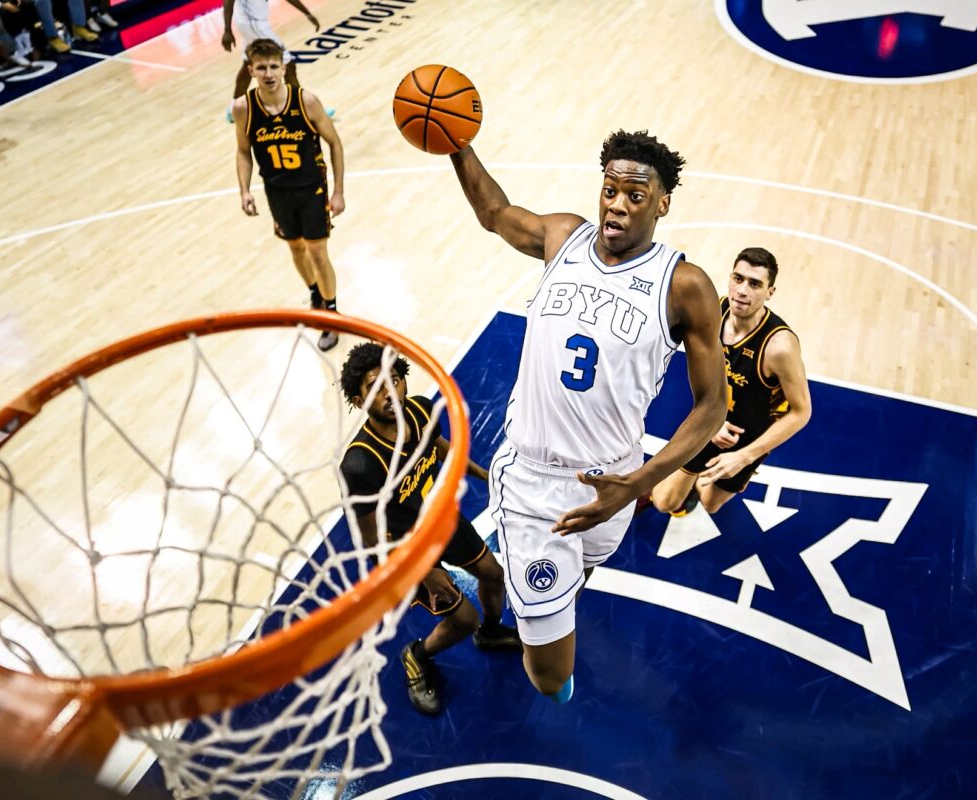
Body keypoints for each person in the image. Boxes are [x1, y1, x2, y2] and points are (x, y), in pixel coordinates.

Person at [447, 130, 728, 703]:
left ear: (662, 203)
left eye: (635, 195)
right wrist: (455, 144)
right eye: (609, 190)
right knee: (549, 676)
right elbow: (495, 212)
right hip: (534, 487)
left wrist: (637, 485)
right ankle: (547, 636)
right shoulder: (563, 237)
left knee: (577, 579)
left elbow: (713, 404)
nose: (617, 205)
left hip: (616, 479)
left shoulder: (684, 286)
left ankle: (553, 603)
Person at [338, 343, 522, 715]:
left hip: (440, 522)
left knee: (493, 575)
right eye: (375, 387)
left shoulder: (420, 410)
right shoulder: (361, 465)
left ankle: (490, 633)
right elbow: (371, 543)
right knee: (463, 619)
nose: (390, 392)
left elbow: (438, 448)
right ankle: (417, 656)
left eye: (394, 379)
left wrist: (485, 475)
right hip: (403, 551)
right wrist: (425, 571)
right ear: (358, 400)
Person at [651, 247, 811, 516]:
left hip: (749, 437)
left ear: (770, 292)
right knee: (664, 502)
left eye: (755, 284)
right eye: (738, 279)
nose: (742, 291)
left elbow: (801, 412)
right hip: (712, 418)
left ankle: (706, 481)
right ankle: (692, 475)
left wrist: (744, 456)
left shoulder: (779, 347)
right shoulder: (716, 310)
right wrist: (711, 421)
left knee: (711, 504)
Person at [233, 38, 344, 351]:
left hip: (312, 189)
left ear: (284, 68)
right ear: (251, 70)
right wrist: (244, 191)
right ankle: (315, 293)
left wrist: (338, 191)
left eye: (273, 66)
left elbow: (335, 143)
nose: (268, 73)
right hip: (276, 191)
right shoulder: (243, 108)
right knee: (296, 248)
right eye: (261, 67)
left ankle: (331, 314)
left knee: (318, 252)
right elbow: (243, 151)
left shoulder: (306, 101)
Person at [221, 0, 317, 121]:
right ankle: (303, 110)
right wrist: (227, 30)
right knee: (288, 65)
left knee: (247, 65)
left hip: (251, 23)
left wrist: (307, 13)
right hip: (254, 24)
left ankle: (233, 109)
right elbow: (228, 1)